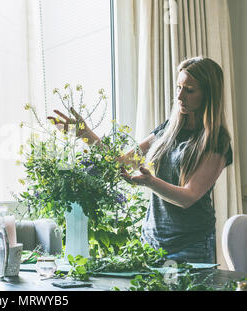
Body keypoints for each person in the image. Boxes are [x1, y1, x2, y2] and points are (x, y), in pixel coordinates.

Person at [48, 57, 233, 263]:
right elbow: (122, 162)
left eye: (189, 90)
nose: (180, 96)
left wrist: (151, 182)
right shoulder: (167, 129)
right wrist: (85, 134)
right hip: (152, 242)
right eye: (179, 87)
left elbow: (188, 197)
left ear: (208, 94)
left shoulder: (216, 141)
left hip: (190, 246)